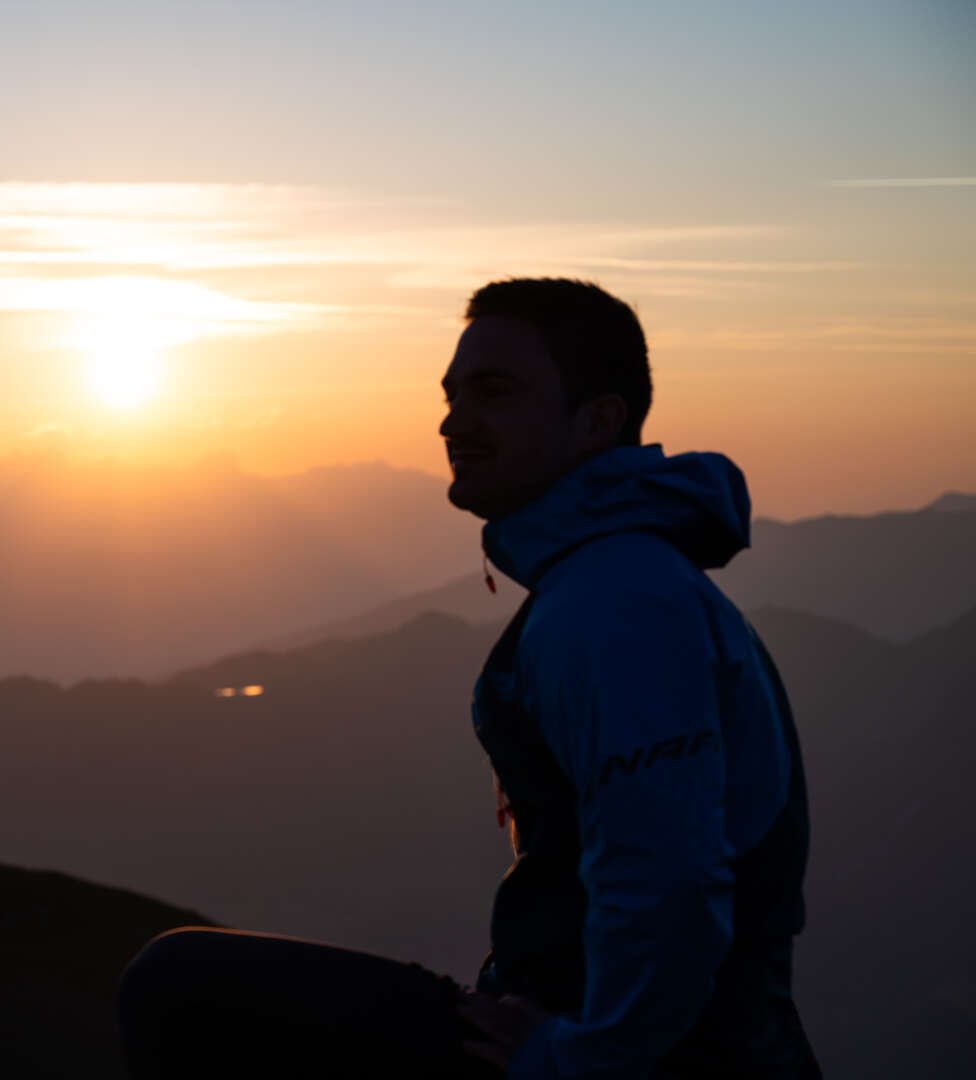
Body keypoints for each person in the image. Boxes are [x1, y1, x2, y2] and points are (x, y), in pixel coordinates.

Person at [118, 277, 821, 1078]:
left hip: (649, 1060)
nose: (454, 422)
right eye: (452, 395)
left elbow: (672, 882)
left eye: (495, 392)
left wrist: (574, 1059)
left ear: (598, 421)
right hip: (592, 1033)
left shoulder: (617, 600)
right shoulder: (610, 579)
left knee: (180, 987)